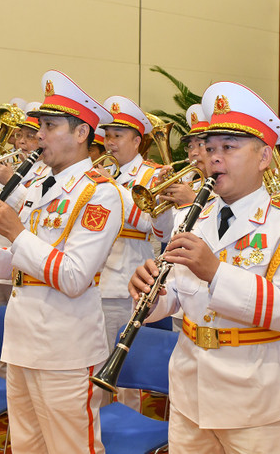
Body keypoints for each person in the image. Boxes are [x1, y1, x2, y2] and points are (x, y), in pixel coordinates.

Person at [130, 81, 280, 453]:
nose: (214, 158)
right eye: (210, 148)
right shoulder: (192, 217)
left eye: (229, 148)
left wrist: (215, 272)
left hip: (255, 402)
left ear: (264, 157)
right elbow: (178, 298)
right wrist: (150, 296)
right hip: (189, 392)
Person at [0, 69, 122, 453]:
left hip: (64, 348)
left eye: (50, 127)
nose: (39, 136)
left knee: (70, 447)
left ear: (81, 133)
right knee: (26, 445)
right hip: (23, 341)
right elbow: (25, 265)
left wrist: (17, 232)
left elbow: (73, 276)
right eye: (40, 127)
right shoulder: (38, 187)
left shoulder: (100, 193)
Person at [99, 96, 173, 364]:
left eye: (117, 135)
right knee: (95, 356)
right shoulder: (106, 171)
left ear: (136, 141)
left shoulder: (151, 175)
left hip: (125, 279)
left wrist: (112, 187)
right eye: (107, 135)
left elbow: (147, 223)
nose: (110, 142)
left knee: (121, 362)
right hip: (95, 277)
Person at [0, 100, 51, 376]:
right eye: (19, 135)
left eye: (30, 136)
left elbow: (34, 214)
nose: (21, 141)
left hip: (24, 261)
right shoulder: (12, 165)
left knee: (17, 333)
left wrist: (10, 179)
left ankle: (11, 380)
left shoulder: (47, 173)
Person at [159, 104, 210, 209]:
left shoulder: (226, 186)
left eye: (200, 144)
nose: (193, 153)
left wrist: (192, 202)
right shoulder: (189, 183)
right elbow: (170, 220)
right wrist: (164, 200)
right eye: (190, 146)